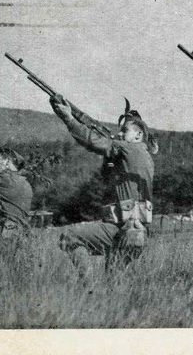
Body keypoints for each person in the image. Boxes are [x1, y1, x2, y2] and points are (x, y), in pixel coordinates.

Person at [50, 96, 157, 271]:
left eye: (125, 131)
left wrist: (69, 118)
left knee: (69, 237)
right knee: (113, 280)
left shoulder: (130, 148)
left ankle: (87, 283)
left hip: (124, 228)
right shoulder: (144, 157)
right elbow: (109, 175)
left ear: (138, 135)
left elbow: (92, 141)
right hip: (136, 231)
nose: (119, 134)